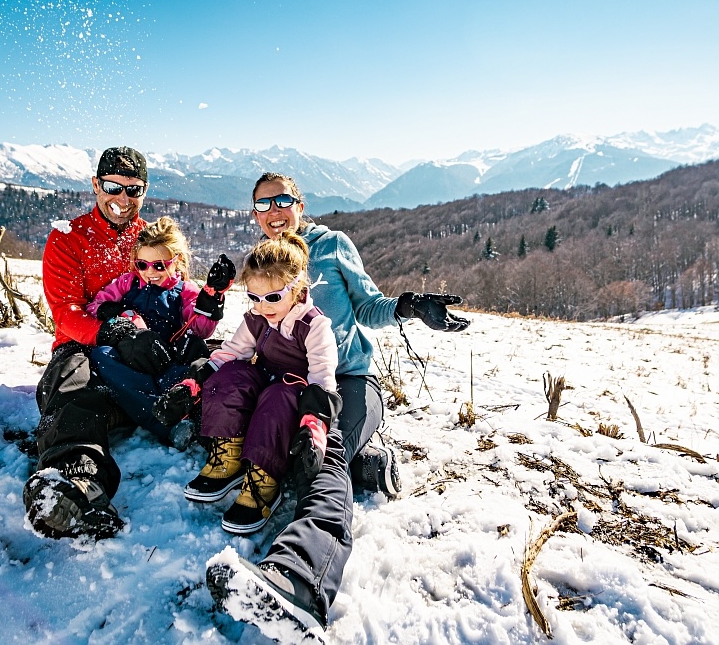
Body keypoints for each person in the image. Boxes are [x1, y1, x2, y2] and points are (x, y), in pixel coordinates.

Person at [205, 172, 470, 642]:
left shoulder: (331, 246)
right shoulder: (269, 262)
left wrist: (408, 306)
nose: (274, 212)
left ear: (300, 203)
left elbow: (368, 307)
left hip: (345, 381)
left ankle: (299, 578)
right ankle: (368, 460)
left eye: (282, 200)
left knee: (326, 457)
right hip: (287, 383)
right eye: (263, 205)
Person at [21, 146, 231, 540]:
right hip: (88, 346)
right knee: (72, 383)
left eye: (132, 190)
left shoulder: (149, 238)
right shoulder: (69, 238)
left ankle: (247, 438)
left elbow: (180, 293)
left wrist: (204, 310)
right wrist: (110, 333)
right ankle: (77, 482)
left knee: (216, 362)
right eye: (113, 187)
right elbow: (66, 311)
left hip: (157, 347)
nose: (122, 199)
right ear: (96, 185)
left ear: (144, 192)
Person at [167, 231, 340, 536]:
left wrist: (314, 429)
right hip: (265, 379)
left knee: (277, 398)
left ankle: (264, 477)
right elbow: (231, 352)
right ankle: (228, 457)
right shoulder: (257, 318)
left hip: (293, 394)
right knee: (229, 376)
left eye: (273, 297)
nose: (263, 306)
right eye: (254, 297)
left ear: (296, 286)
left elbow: (323, 379)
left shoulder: (314, 326)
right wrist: (194, 384)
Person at [86, 216, 234, 449]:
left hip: (167, 362)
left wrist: (211, 299)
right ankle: (166, 423)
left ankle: (187, 416)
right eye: (142, 265)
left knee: (191, 373)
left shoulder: (184, 291)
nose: (150, 272)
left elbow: (200, 329)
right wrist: (122, 314)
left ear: (177, 261)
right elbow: (94, 307)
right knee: (101, 355)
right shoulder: (128, 283)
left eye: (159, 265)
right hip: (131, 359)